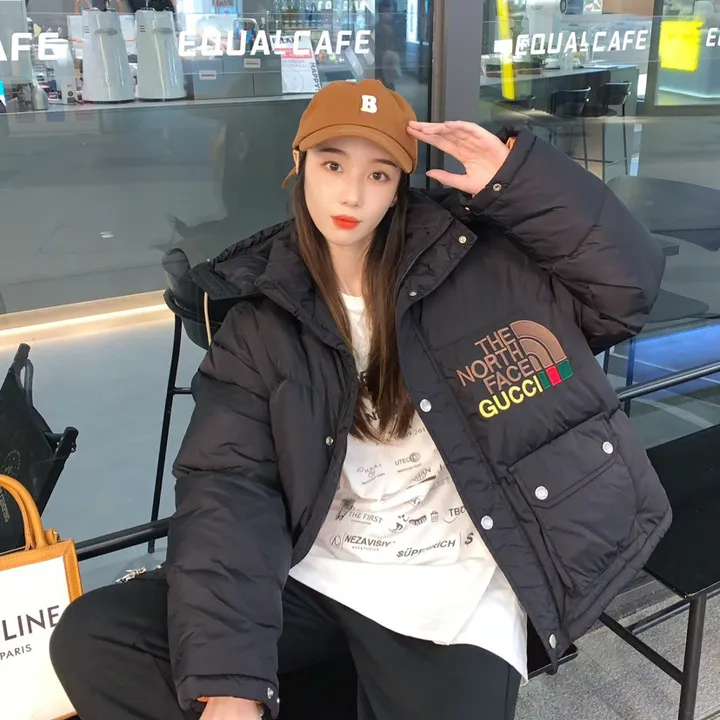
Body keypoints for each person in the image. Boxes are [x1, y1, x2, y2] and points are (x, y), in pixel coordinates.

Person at [49, 79, 672, 720]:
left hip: (451, 582)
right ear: (299, 165)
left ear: (399, 186)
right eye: (332, 165)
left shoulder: (478, 261)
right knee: (98, 639)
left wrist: (518, 183)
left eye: (378, 174)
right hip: (318, 566)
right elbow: (230, 484)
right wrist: (232, 684)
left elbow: (626, 292)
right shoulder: (264, 315)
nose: (352, 194)